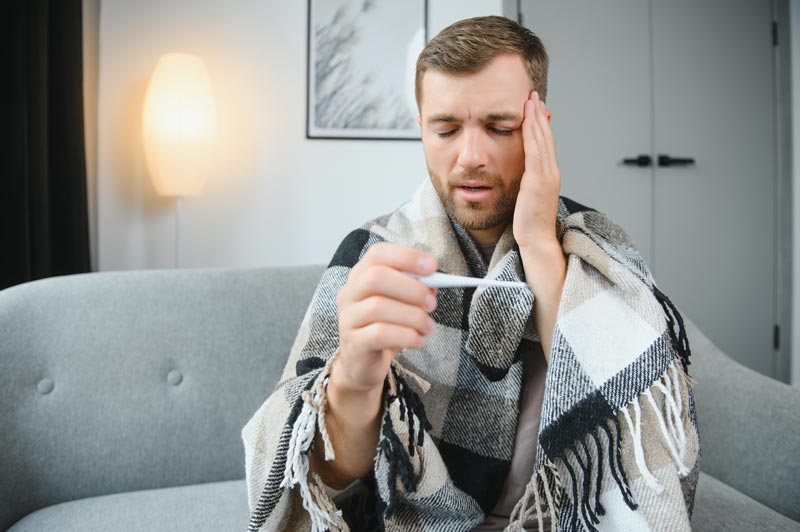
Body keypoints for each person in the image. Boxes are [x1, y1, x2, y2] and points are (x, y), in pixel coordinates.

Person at [243, 16, 699, 532]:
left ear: (539, 127)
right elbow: (322, 480)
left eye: (500, 127)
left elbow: (637, 446)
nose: (472, 157)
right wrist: (354, 379)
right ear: (421, 128)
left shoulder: (599, 251)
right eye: (446, 129)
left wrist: (538, 246)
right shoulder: (369, 256)